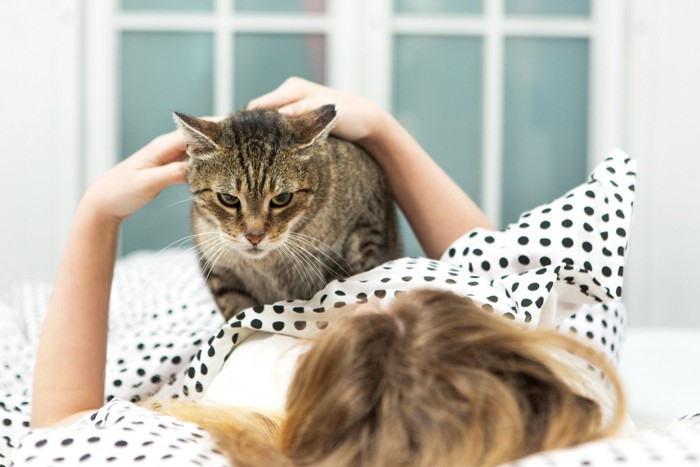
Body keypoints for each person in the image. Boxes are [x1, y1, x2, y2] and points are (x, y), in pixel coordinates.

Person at [12, 77, 636, 466]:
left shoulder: (240, 425)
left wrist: (96, 216)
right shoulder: (562, 389)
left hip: (175, 323)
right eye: (416, 299)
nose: (365, 297)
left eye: (376, 314)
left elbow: (62, 429)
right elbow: (501, 263)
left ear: (313, 393)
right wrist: (383, 129)